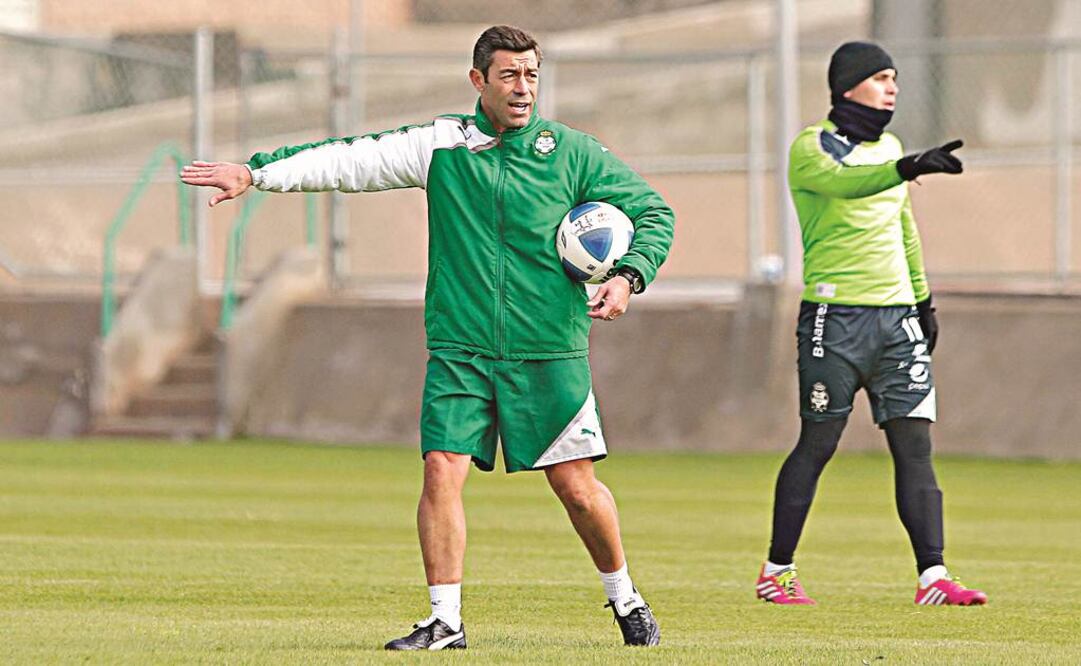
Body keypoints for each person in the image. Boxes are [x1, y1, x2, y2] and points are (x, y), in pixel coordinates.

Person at [181, 25, 674, 648]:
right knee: (441, 470)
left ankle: (624, 597)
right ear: (478, 81)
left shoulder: (571, 152)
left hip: (549, 349)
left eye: (531, 75)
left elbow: (654, 211)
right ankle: (445, 621)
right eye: (509, 76)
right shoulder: (440, 145)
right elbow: (349, 157)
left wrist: (629, 275)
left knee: (576, 489)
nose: (523, 88)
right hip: (460, 349)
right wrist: (256, 174)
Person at [754, 41, 988, 607]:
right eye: (881, 77)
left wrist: (923, 299)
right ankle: (776, 572)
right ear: (848, 85)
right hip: (834, 321)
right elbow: (848, 184)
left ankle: (933, 576)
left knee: (915, 447)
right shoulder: (811, 148)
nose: (893, 87)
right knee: (818, 443)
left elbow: (902, 226)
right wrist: (904, 168)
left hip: (895, 321)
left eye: (895, 77)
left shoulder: (890, 147)